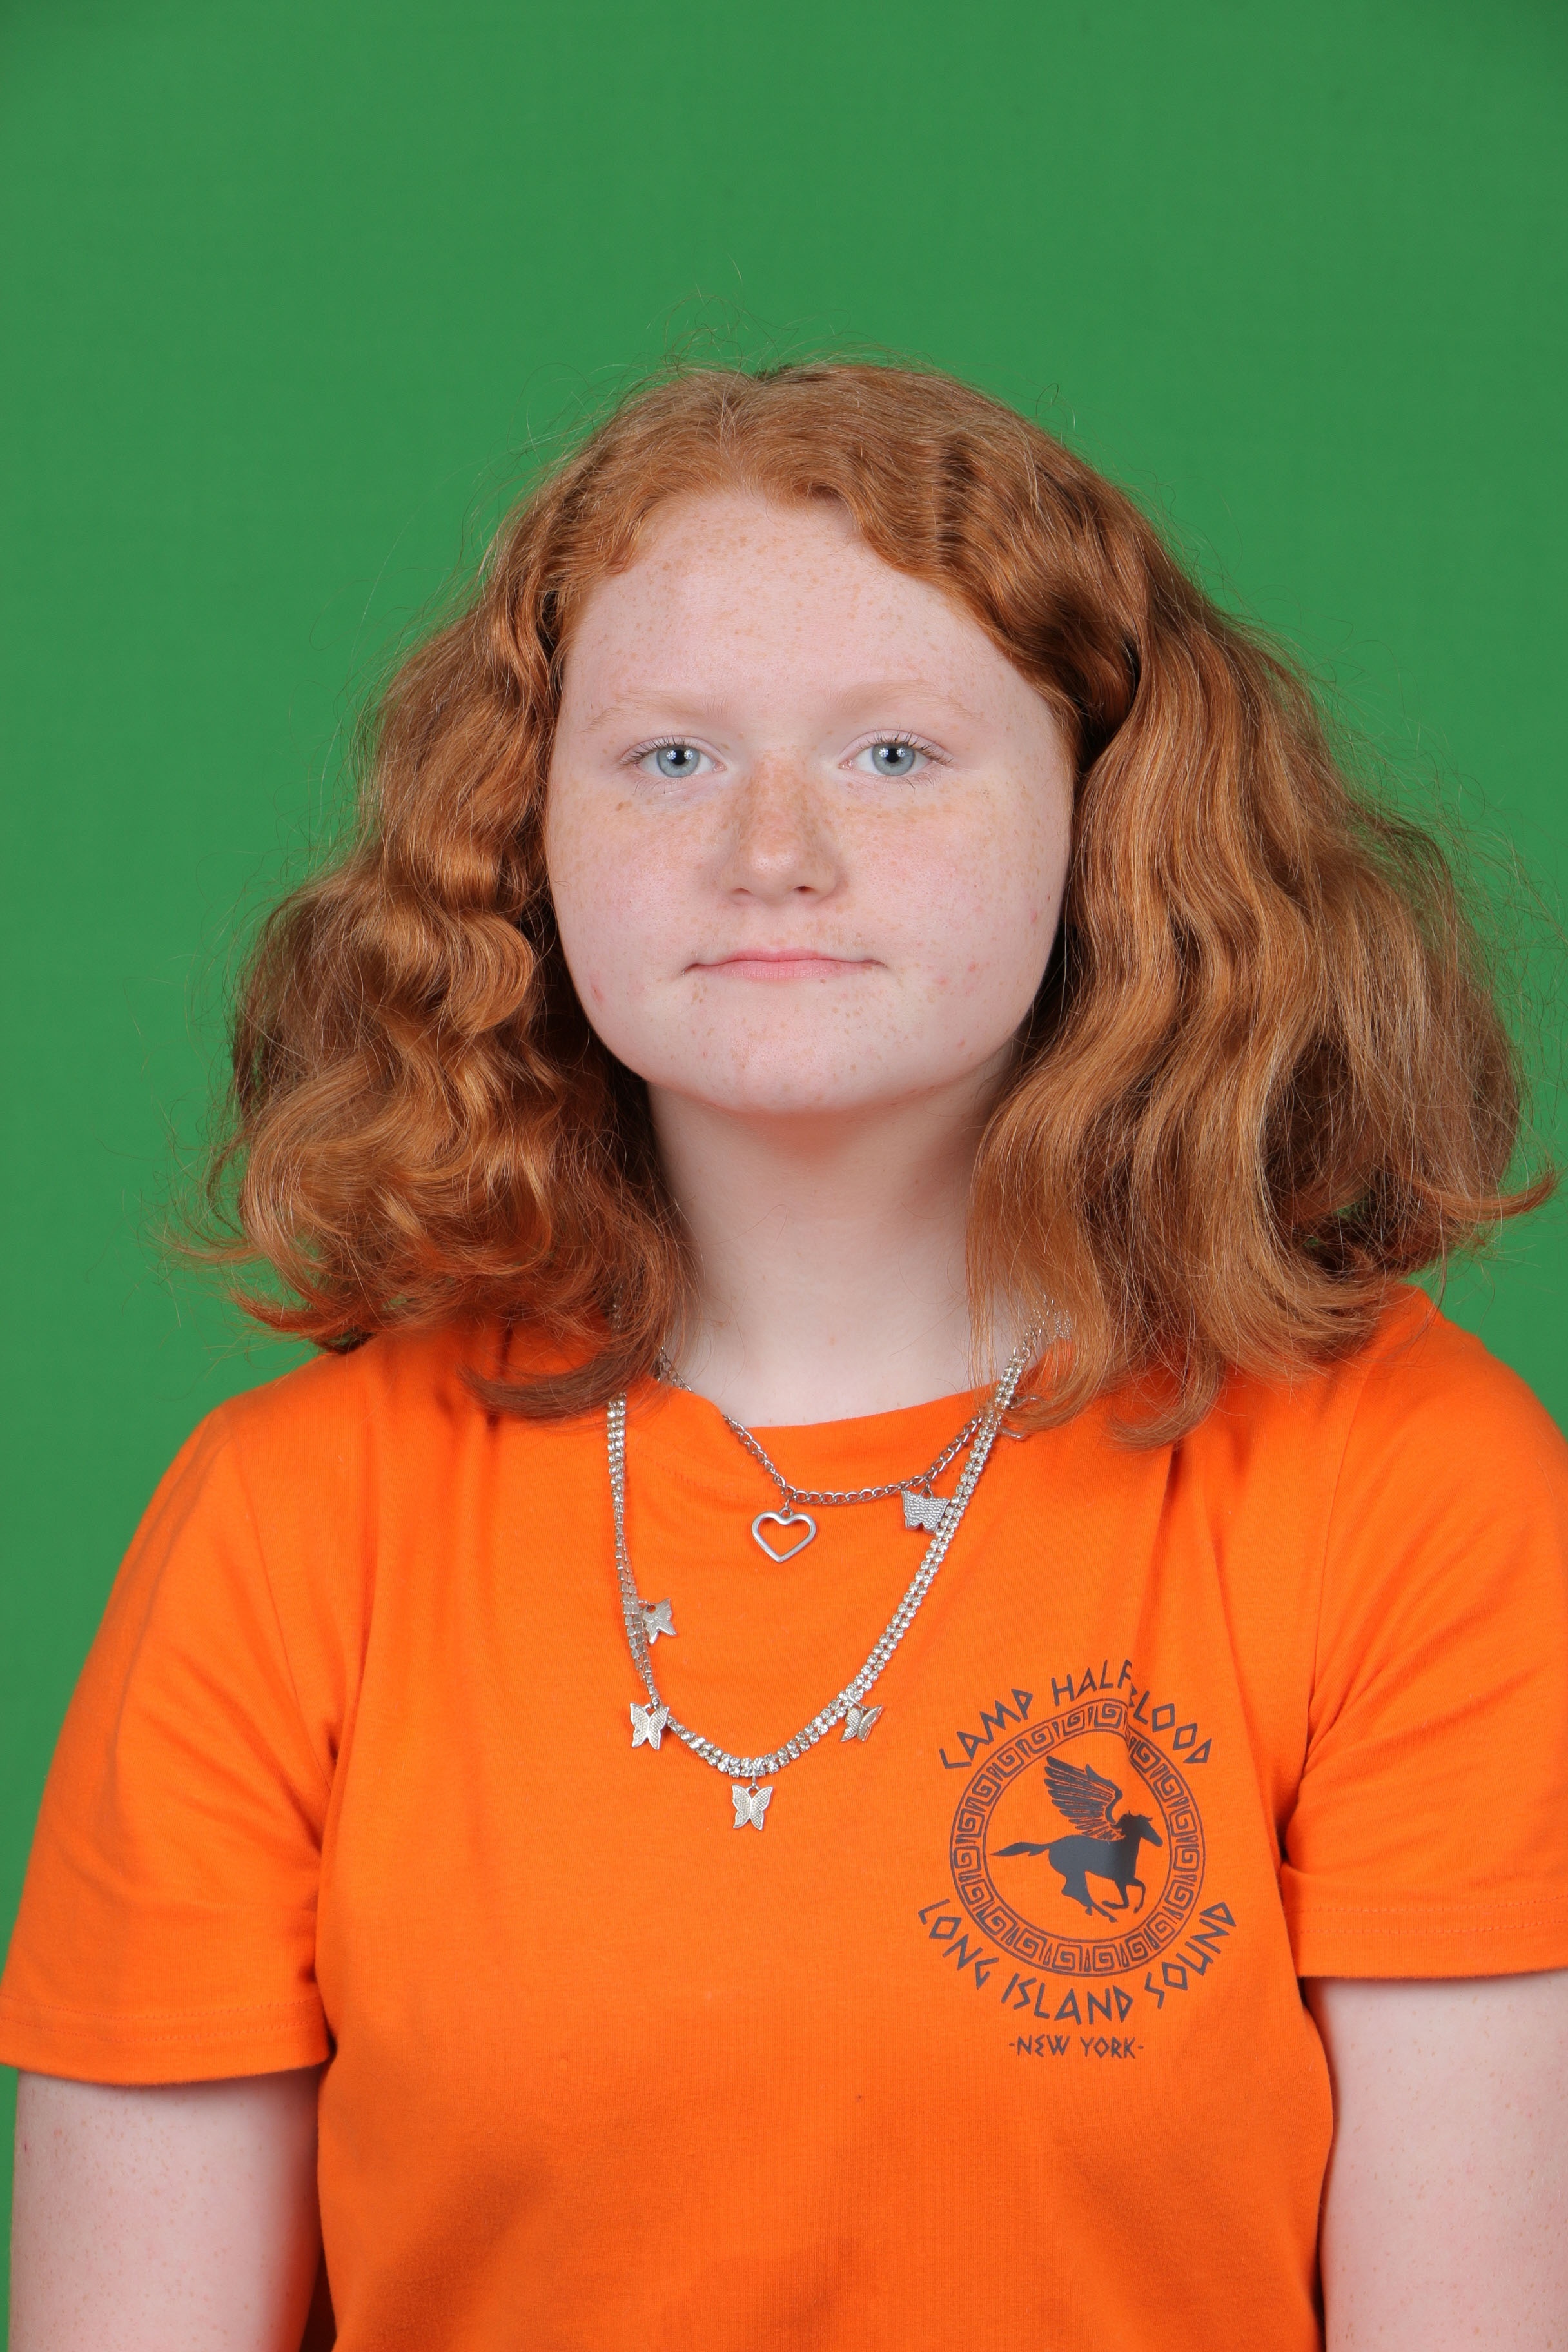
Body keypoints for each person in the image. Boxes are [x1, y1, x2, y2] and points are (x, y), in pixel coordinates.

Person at [4, 361, 1566, 2352]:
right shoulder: (291, 1519)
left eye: (896, 754)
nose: (772, 848)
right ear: (525, 835)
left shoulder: (1415, 1488)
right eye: (668, 757)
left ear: (1108, 823)